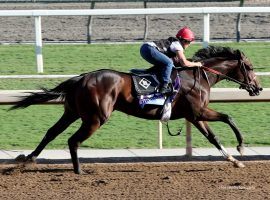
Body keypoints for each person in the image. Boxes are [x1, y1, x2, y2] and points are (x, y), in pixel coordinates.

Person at [140, 26, 202, 94]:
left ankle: (143, 74)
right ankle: (164, 86)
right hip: (149, 48)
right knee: (169, 63)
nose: (189, 45)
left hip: (145, 48)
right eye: (189, 42)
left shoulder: (174, 43)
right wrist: (197, 64)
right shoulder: (177, 45)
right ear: (184, 41)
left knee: (164, 64)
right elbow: (184, 63)